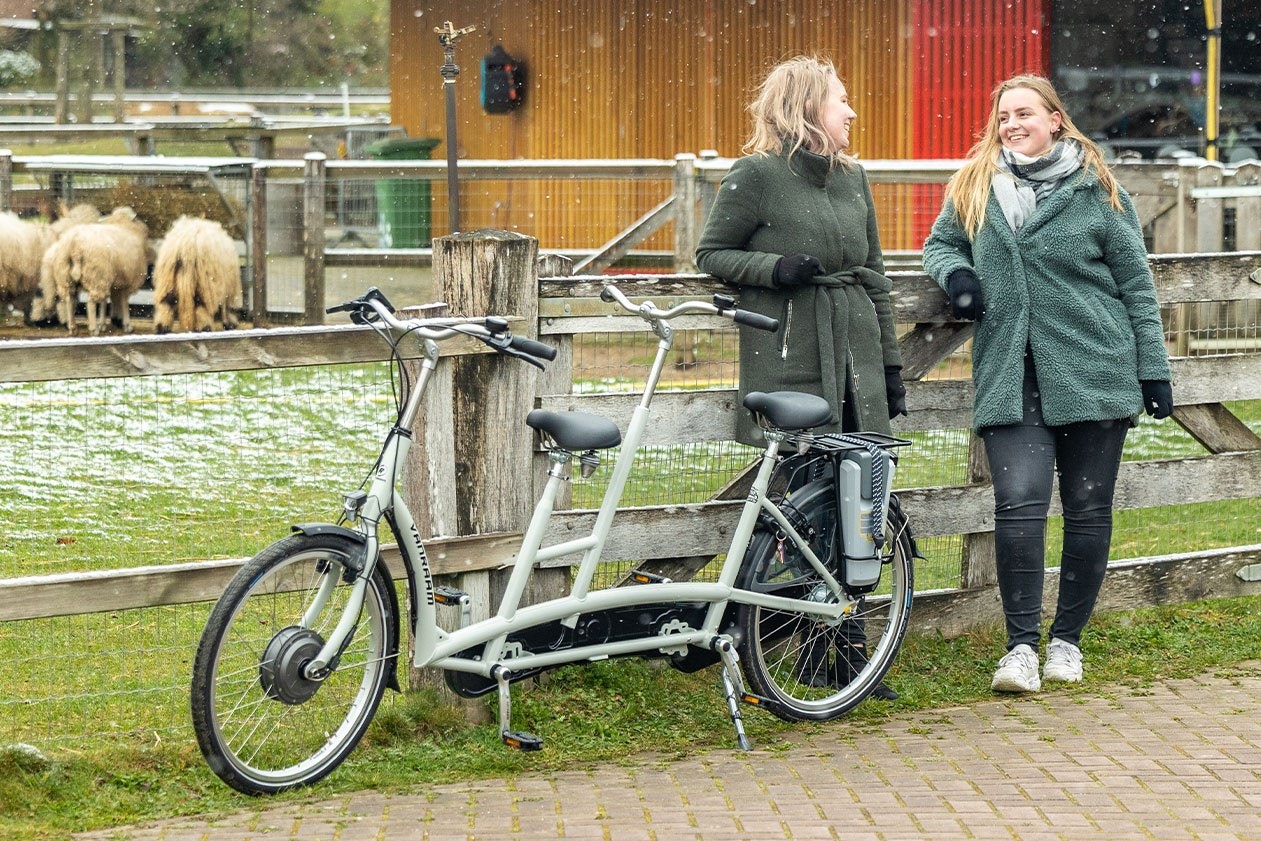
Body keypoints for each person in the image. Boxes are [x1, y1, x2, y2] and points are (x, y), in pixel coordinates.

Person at [921, 74, 1173, 693]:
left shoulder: (1098, 190)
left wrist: (1153, 369)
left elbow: (1136, 286)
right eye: (1003, 115)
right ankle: (1020, 649)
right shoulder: (976, 185)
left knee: (1088, 509)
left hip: (1093, 367)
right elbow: (939, 244)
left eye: (1024, 113)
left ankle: (1067, 642)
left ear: (1055, 119)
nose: (1011, 124)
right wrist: (957, 276)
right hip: (1012, 370)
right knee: (1019, 504)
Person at [695, 55, 906, 700]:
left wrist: (890, 368)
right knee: (804, 510)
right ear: (808, 107)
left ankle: (848, 653)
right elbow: (712, 254)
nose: (852, 112)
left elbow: (874, 273)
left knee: (860, 502)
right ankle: (799, 648)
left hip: (856, 358)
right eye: (841, 100)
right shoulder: (756, 177)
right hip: (793, 357)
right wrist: (775, 268)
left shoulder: (852, 178)